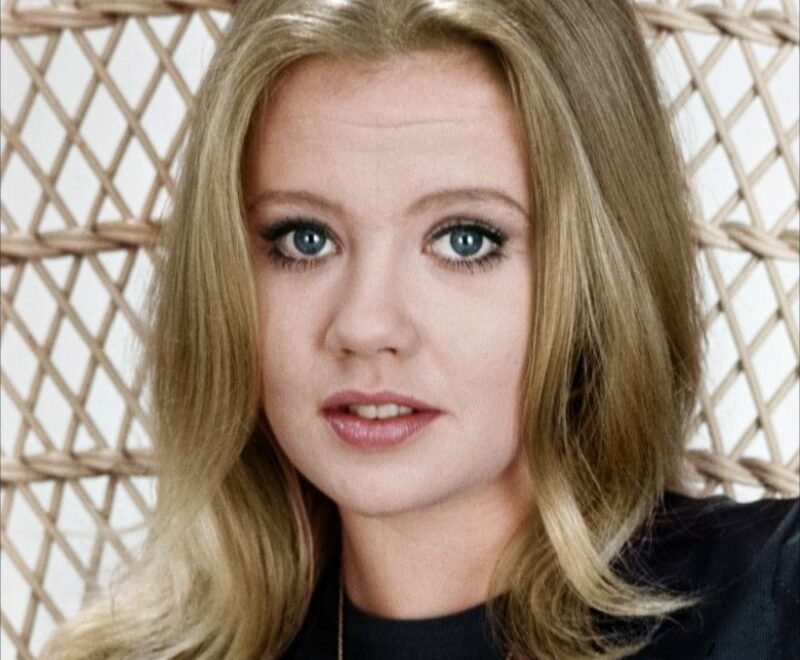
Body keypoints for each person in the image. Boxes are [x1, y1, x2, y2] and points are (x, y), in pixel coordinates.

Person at [41, 1, 798, 659]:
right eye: (304, 238)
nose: (365, 326)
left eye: (465, 240)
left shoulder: (773, 605)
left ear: (599, 272)